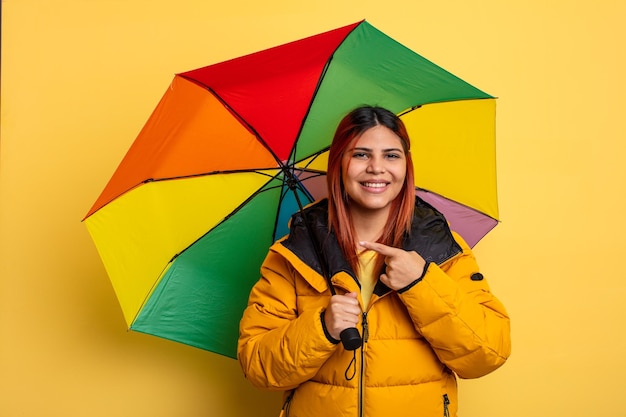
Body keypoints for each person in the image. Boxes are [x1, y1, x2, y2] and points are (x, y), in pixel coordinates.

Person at [237, 106, 511, 417]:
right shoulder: (292, 255)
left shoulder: (442, 249)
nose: (376, 168)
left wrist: (422, 284)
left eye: (391, 155)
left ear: (406, 166)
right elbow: (257, 367)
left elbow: (487, 354)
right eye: (361, 155)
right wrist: (322, 328)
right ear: (340, 163)